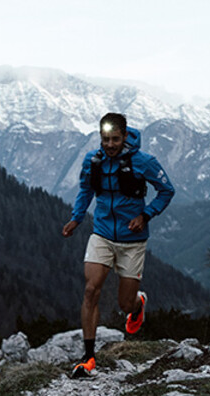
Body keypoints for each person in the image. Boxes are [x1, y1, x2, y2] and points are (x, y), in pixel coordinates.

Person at [62, 112, 175, 378]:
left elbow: (167, 190)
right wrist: (76, 218)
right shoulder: (93, 160)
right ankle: (88, 358)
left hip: (132, 241)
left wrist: (145, 215)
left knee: (125, 304)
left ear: (125, 136)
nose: (110, 145)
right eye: (105, 139)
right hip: (101, 233)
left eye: (115, 139)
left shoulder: (144, 162)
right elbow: (85, 190)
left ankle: (138, 305)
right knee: (91, 290)